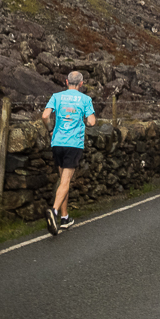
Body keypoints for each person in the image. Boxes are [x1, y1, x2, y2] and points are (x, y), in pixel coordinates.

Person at [41, 70, 97, 235]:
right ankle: (55, 211)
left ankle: (65, 218)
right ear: (81, 84)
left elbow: (45, 116)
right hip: (74, 143)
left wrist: (50, 129)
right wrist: (86, 120)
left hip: (57, 141)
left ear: (66, 82)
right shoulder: (85, 99)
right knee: (66, 181)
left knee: (62, 181)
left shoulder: (56, 96)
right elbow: (92, 122)